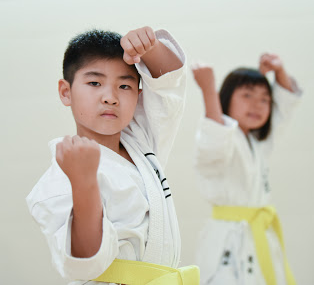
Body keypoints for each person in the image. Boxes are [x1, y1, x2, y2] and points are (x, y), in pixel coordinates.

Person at [26, 26, 199, 285]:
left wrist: (149, 48)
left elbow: (168, 83)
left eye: (125, 86)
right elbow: (85, 262)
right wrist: (83, 182)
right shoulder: (58, 180)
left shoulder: (141, 140)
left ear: (139, 95)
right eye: (94, 83)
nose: (110, 98)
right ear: (66, 91)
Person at [191, 53, 301, 285]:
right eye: (247, 95)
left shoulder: (259, 143)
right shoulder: (222, 141)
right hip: (228, 243)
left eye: (264, 99)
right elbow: (214, 137)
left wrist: (279, 72)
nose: (256, 105)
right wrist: (208, 90)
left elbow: (285, 108)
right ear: (227, 98)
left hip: (260, 237)